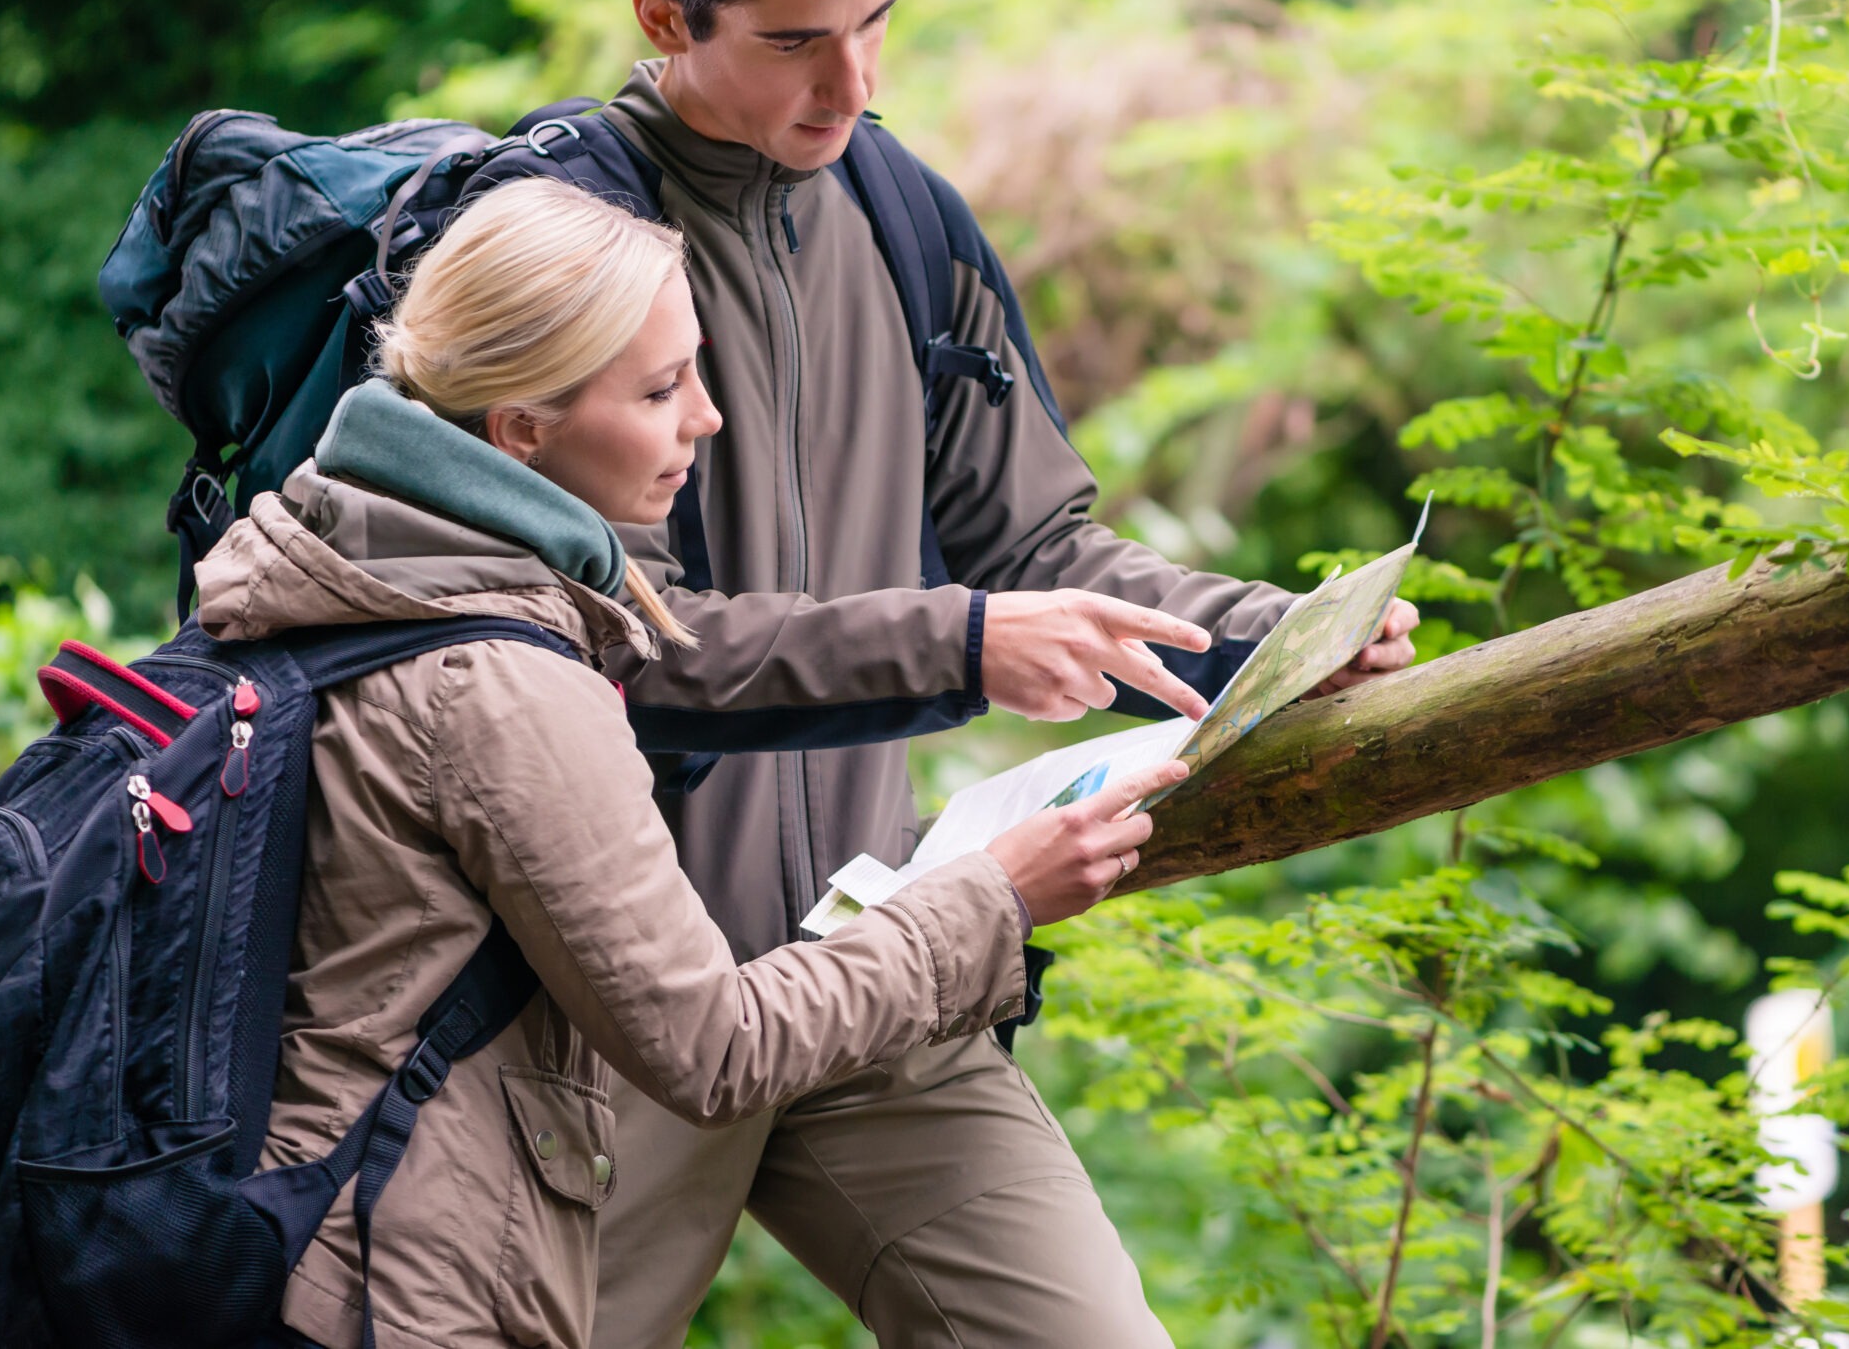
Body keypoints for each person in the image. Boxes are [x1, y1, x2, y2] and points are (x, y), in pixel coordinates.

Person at [577, 0, 1423, 1348]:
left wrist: (1279, 636)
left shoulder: (904, 214)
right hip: (609, 1012)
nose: (850, 84)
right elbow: (618, 646)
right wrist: (963, 642)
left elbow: (1036, 541)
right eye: (795, 41)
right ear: (664, 12)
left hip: (873, 956)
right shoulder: (557, 238)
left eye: (877, 23)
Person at [192, 176, 1179, 1349]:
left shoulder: (319, 561)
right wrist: (998, 894)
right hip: (399, 1280)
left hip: (307, 1236)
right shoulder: (501, 680)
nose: (706, 418)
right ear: (520, 429)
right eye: (661, 389)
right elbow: (716, 1046)